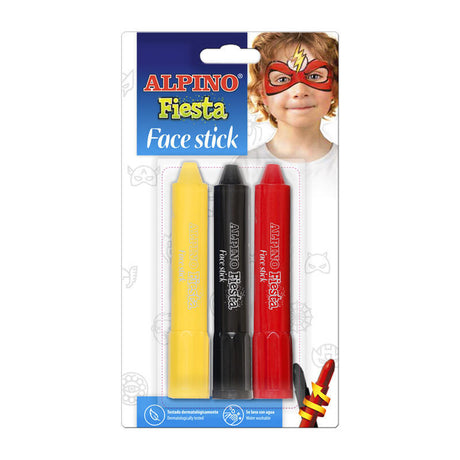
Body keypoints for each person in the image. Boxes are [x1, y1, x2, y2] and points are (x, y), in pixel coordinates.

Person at [247, 32, 338, 426]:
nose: (299, 90)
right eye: (282, 79)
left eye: (315, 75)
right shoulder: (240, 167)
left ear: (336, 88)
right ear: (260, 93)